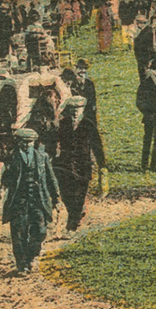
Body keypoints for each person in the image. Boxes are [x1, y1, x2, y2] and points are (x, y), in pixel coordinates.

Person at [1, 124, 60, 276]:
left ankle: (31, 256)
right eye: (24, 142)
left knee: (40, 231)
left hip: (38, 201)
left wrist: (56, 198)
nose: (27, 145)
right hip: (18, 202)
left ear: (34, 142)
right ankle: (22, 266)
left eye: (30, 142)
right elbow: (4, 179)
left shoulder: (42, 157)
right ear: (18, 143)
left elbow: (50, 178)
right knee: (18, 234)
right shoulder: (11, 158)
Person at [51, 75, 106, 232]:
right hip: (66, 164)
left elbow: (97, 145)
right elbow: (56, 141)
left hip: (83, 164)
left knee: (80, 194)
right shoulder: (64, 124)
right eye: (73, 110)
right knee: (67, 194)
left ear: (83, 109)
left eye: (78, 110)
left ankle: (73, 222)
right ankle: (73, 215)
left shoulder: (88, 125)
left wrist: (103, 165)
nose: (75, 113)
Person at [136, 66, 156, 172]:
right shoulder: (146, 82)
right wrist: (147, 112)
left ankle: (154, 165)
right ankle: (144, 165)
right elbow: (139, 101)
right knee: (148, 140)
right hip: (150, 116)